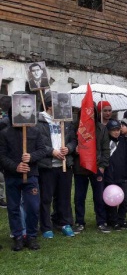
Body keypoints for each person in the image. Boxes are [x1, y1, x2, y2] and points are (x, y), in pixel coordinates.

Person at [0, 103, 49, 250]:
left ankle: (31, 236)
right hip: (12, 177)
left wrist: (31, 156)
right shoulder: (4, 133)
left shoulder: (35, 131)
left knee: (33, 206)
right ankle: (18, 236)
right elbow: (1, 156)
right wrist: (15, 166)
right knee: (13, 207)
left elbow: (42, 150)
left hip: (31, 175)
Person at [37, 91, 77, 238]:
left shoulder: (66, 121)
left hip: (64, 165)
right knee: (46, 197)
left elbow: (73, 140)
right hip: (47, 166)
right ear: (49, 105)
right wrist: (51, 151)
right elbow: (36, 142)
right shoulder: (39, 120)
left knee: (64, 197)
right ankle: (46, 226)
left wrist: (69, 148)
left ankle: (64, 223)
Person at [73, 104, 111, 233]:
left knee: (99, 196)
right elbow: (70, 143)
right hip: (80, 168)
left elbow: (106, 149)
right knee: (79, 197)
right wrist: (75, 149)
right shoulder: (76, 127)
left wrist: (102, 166)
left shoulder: (101, 128)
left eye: (91, 112)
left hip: (97, 167)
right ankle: (79, 222)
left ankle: (101, 222)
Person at [104, 119, 127, 230]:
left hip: (123, 176)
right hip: (110, 176)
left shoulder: (123, 141)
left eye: (118, 129)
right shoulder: (106, 142)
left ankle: (122, 220)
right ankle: (114, 221)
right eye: (113, 130)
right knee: (112, 200)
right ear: (108, 131)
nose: (116, 132)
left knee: (125, 199)